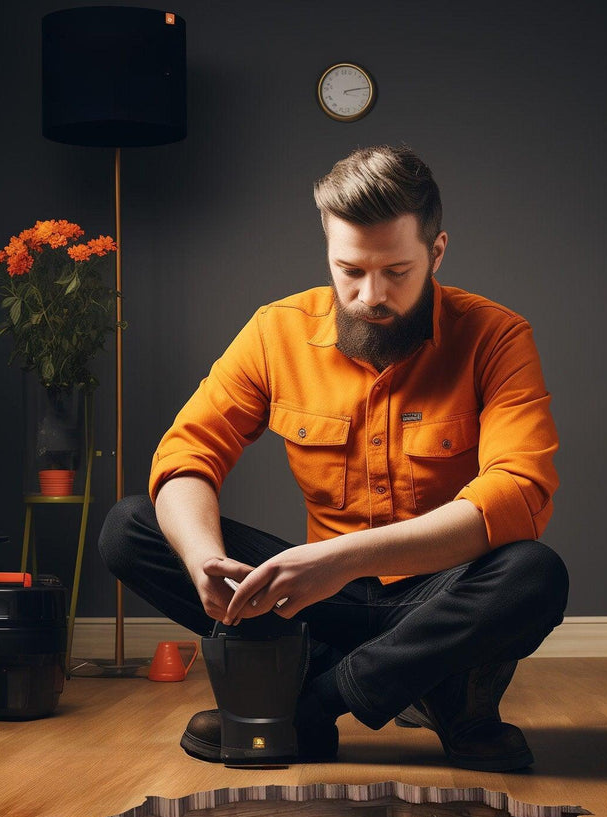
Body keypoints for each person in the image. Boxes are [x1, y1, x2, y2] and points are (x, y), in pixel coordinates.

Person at [99, 145, 568, 771]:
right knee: (130, 526)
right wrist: (202, 557)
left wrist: (340, 560)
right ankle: (433, 693)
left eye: (396, 272)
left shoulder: (497, 336)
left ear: (437, 251)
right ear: (327, 249)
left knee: (534, 573)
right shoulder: (275, 331)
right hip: (313, 605)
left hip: (434, 602)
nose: (370, 295)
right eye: (349, 270)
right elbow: (188, 451)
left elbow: (520, 496)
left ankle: (310, 707)